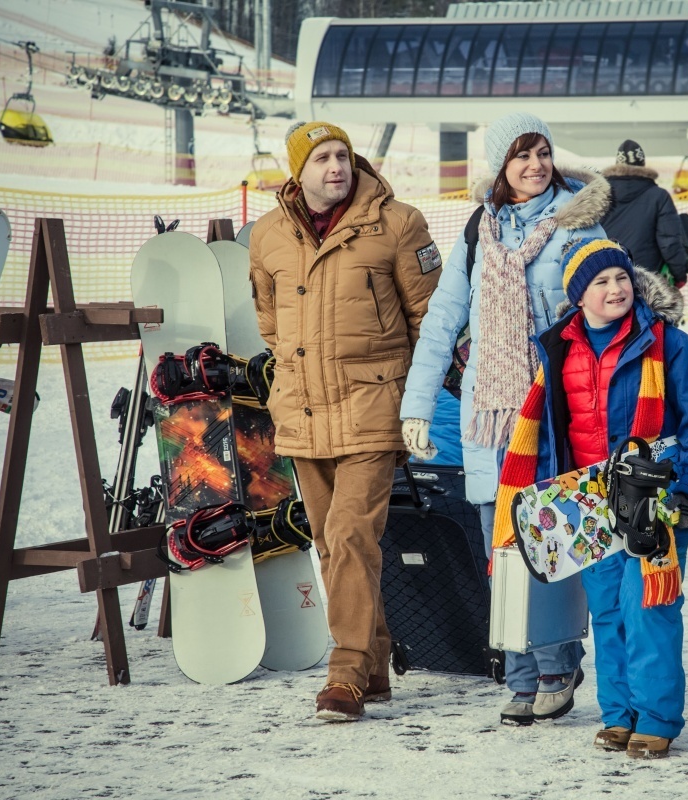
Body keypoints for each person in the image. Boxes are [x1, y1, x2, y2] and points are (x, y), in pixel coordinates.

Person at [399, 111, 610, 726]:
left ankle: (557, 664)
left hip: (552, 409)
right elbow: (442, 322)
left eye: (542, 152)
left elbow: (610, 305)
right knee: (501, 546)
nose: (536, 165)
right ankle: (520, 672)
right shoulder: (478, 230)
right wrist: (416, 406)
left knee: (548, 538)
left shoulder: (578, 223)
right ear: (501, 165)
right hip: (490, 417)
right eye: (522, 155)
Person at [492, 240, 688, 758]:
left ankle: (657, 717)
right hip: (589, 506)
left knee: (648, 608)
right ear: (578, 296)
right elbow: (552, 431)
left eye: (621, 278)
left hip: (652, 500)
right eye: (601, 282)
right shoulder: (559, 349)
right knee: (608, 614)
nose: (616, 289)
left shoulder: (667, 343)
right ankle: (620, 714)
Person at [249, 122, 441, 722]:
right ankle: (376, 666)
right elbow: (271, 324)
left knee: (353, 535)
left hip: (373, 407)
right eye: (323, 158)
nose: (337, 167)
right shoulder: (268, 235)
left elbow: (430, 320)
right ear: (298, 170)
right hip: (303, 411)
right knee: (333, 546)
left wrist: (417, 401)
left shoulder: (399, 224)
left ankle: (347, 674)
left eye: (343, 156)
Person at [598, 140, 688, 287]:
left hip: (607, 279)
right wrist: (679, 274)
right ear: (642, 164)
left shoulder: (599, 195)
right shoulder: (659, 196)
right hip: (647, 281)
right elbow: (669, 241)